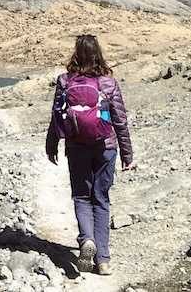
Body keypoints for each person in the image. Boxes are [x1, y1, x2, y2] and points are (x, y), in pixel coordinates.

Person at [45, 34, 135, 276]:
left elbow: (56, 116)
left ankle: (86, 240)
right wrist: (127, 153)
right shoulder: (108, 83)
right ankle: (103, 260)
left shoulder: (65, 80)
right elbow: (120, 120)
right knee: (101, 198)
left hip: (76, 147)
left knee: (82, 197)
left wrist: (51, 144)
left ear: (76, 53)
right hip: (106, 146)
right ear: (98, 54)